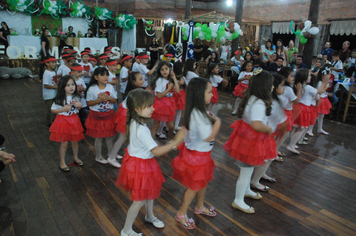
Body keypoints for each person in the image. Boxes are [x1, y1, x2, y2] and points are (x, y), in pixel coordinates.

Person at [116, 88, 186, 236]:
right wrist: (177, 141)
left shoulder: (135, 121)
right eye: (149, 106)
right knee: (139, 200)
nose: (153, 108)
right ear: (137, 108)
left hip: (140, 163)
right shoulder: (142, 129)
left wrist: (171, 144)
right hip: (140, 166)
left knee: (150, 193)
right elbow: (157, 152)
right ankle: (126, 230)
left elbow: (149, 147)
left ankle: (149, 216)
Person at [171, 77, 220, 228]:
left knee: (202, 182)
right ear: (199, 94)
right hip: (197, 157)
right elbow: (208, 137)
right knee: (193, 187)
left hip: (202, 155)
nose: (212, 95)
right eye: (209, 92)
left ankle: (199, 206)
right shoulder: (198, 115)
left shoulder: (199, 111)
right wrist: (217, 122)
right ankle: (181, 213)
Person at [224, 70, 274, 214]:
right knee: (245, 172)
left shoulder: (251, 97)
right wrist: (268, 128)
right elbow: (257, 124)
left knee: (249, 168)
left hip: (247, 137)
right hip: (251, 139)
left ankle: (246, 190)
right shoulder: (259, 103)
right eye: (271, 85)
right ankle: (238, 200)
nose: (272, 87)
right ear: (264, 86)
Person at [250, 72, 287, 188]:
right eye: (281, 86)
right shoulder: (272, 102)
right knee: (267, 158)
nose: (283, 88)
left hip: (265, 133)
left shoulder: (270, 100)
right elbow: (281, 120)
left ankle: (261, 175)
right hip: (265, 134)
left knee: (265, 159)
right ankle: (255, 181)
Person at [286, 68, 329, 154]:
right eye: (309, 75)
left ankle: (292, 143)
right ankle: (291, 145)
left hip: (299, 107)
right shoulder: (308, 87)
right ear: (304, 77)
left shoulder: (300, 85)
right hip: (304, 108)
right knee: (302, 128)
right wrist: (324, 82)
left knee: (298, 127)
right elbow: (319, 91)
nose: (310, 77)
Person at [110, 72, 145, 167]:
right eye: (140, 79)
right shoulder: (135, 92)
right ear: (133, 81)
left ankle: (114, 153)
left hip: (127, 113)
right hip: (126, 114)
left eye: (143, 78)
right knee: (123, 137)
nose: (143, 80)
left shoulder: (136, 90)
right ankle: (111, 157)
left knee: (127, 137)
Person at [49, 75, 84, 171]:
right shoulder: (60, 98)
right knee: (64, 143)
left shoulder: (76, 96)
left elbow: (79, 107)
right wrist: (62, 109)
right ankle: (62, 162)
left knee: (75, 142)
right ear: (62, 87)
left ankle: (76, 158)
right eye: (68, 85)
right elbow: (53, 110)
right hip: (63, 121)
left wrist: (80, 105)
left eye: (73, 84)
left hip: (74, 120)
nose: (71, 87)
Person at [85, 67, 117, 164]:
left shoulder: (110, 87)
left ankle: (111, 155)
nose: (106, 77)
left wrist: (108, 97)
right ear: (96, 77)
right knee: (99, 137)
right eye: (102, 75)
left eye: (107, 75)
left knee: (109, 136)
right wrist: (99, 100)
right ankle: (98, 156)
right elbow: (89, 103)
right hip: (96, 115)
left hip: (108, 114)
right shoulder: (92, 89)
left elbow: (114, 100)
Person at [276, 67, 302, 161]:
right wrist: (299, 90)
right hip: (285, 112)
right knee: (283, 134)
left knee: (282, 134)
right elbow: (296, 101)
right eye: (291, 76)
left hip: (282, 111)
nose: (293, 78)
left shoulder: (282, 87)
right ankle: (274, 152)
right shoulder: (288, 89)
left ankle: (275, 150)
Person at [150, 61, 180, 141]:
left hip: (169, 103)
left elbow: (177, 91)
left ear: (170, 70)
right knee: (156, 125)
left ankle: (169, 141)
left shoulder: (171, 79)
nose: (164, 71)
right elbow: (159, 96)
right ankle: (152, 144)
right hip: (161, 103)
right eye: (162, 69)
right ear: (159, 71)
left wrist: (174, 78)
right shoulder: (160, 80)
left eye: (166, 69)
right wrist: (169, 89)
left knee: (171, 126)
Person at [315, 65, 333, 135]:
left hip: (324, 99)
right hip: (320, 99)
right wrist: (325, 87)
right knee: (316, 115)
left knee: (321, 116)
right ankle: (309, 129)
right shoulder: (320, 83)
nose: (329, 76)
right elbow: (319, 92)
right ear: (323, 75)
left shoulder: (324, 82)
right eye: (328, 74)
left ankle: (320, 128)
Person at [42, 56, 58, 129]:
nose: (54, 64)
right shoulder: (47, 73)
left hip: (54, 94)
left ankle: (54, 121)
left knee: (55, 108)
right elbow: (46, 85)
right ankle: (49, 123)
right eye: (52, 62)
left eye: (54, 62)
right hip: (48, 95)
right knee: (50, 109)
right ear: (47, 64)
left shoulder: (53, 72)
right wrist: (56, 87)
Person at [70, 63, 87, 129]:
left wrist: (82, 88)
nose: (80, 73)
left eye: (81, 72)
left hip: (82, 100)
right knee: (75, 115)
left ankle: (82, 126)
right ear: (73, 72)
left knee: (83, 114)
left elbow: (85, 88)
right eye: (79, 72)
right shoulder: (71, 81)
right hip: (74, 101)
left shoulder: (81, 80)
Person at [173, 62, 186, 131]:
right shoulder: (181, 77)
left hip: (175, 94)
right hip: (178, 94)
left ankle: (173, 125)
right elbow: (182, 82)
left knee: (174, 111)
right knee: (178, 111)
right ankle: (175, 125)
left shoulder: (173, 76)